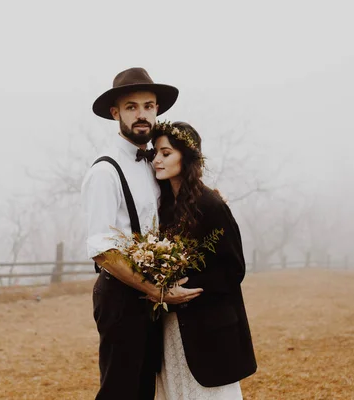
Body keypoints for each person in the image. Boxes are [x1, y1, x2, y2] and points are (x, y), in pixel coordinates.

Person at [81, 68, 202, 400]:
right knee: (120, 390)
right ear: (115, 113)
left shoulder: (155, 166)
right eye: (131, 107)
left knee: (145, 389)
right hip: (120, 297)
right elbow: (102, 250)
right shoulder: (105, 172)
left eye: (148, 106)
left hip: (150, 299)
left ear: (157, 111)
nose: (142, 115)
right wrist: (159, 291)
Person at [151, 121, 258, 400]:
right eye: (155, 153)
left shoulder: (211, 205)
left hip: (209, 326)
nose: (157, 160)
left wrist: (185, 290)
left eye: (165, 153)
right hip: (172, 327)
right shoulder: (164, 207)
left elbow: (233, 269)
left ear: (185, 157)